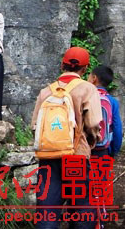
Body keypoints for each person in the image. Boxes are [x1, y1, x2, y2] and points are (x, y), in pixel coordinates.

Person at [31, 47, 103, 229]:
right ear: (85, 69)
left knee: (47, 211)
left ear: (62, 65)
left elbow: (35, 127)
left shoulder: (46, 92)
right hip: (76, 157)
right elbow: (94, 123)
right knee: (81, 211)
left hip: (49, 158)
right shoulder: (88, 89)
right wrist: (92, 141)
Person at [88, 65, 123, 158]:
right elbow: (117, 128)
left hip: (85, 148)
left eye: (89, 75)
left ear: (94, 78)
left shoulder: (85, 97)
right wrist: (113, 151)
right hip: (103, 150)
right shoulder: (112, 101)